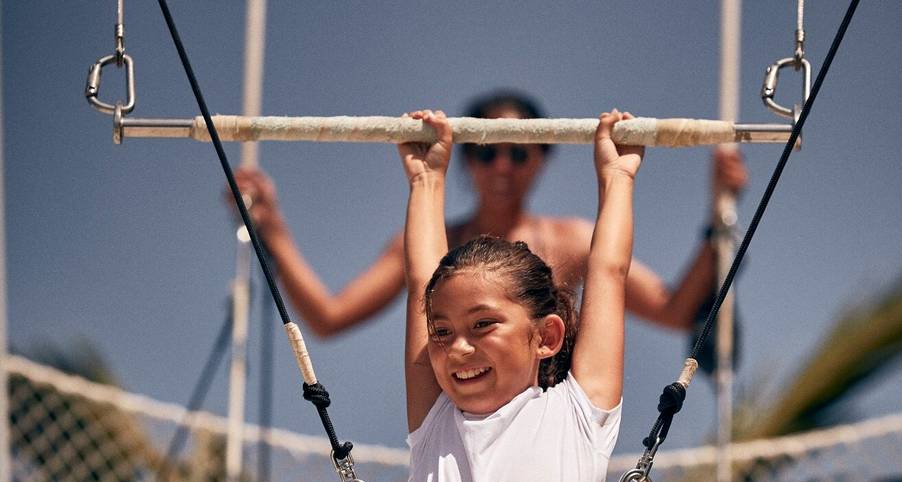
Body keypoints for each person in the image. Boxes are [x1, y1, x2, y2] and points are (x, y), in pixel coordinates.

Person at [367, 108, 640, 482]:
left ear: (546, 336)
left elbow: (608, 272)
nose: (457, 348)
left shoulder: (576, 414)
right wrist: (426, 181)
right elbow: (423, 278)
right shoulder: (435, 417)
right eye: (441, 332)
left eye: (483, 325)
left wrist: (617, 180)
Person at [231, 91, 747, 339]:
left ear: (542, 159)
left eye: (518, 152)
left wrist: (718, 214)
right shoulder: (430, 243)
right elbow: (328, 317)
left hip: (551, 418)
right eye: (486, 151)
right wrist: (272, 231)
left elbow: (675, 310)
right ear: (464, 158)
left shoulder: (571, 241)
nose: (502, 164)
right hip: (456, 421)